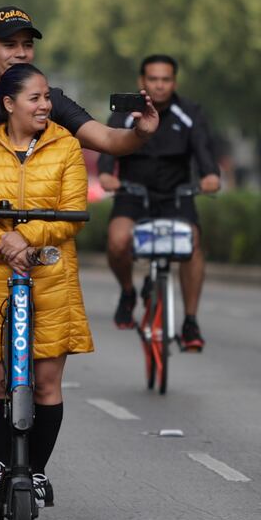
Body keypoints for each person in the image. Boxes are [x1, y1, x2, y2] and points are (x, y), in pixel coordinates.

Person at [0, 5, 159, 504]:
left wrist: (140, 133)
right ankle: (8, 462)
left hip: (34, 261)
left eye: (27, 43)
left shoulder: (49, 101)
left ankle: (17, 470)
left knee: (30, 374)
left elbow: (108, 140)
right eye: (9, 44)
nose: (20, 52)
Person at [0, 63, 90, 508]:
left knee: (47, 382)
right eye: (35, 98)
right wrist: (1, 241)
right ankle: (4, 468)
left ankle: (34, 473)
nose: (45, 105)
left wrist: (25, 237)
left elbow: (72, 211)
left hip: (52, 278)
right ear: (10, 104)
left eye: (47, 98)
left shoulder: (66, 146)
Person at [98, 54, 220, 347]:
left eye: (166, 80)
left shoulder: (190, 112)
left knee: (192, 242)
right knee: (116, 241)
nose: (160, 85)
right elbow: (107, 146)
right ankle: (128, 292)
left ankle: (190, 322)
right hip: (132, 194)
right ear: (142, 81)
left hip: (176, 196)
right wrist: (105, 175)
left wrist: (210, 176)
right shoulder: (127, 111)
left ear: (174, 82)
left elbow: (205, 154)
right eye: (153, 79)